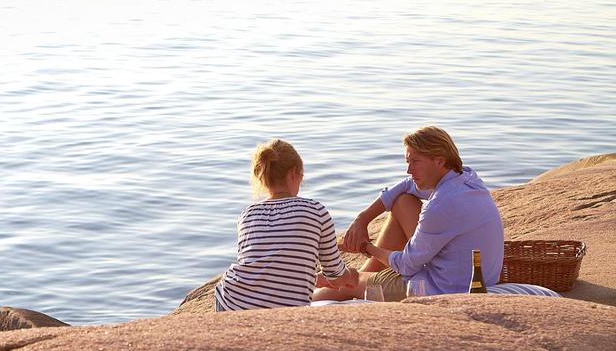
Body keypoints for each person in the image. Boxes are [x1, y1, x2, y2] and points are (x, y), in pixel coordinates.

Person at [312, 126, 504, 302]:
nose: (409, 169)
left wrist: (365, 247)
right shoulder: (468, 178)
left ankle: (304, 302)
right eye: (408, 161)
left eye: (415, 162)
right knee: (403, 200)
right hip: (463, 275)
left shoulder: (439, 206)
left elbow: (406, 265)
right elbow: (405, 185)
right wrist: (363, 219)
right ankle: (364, 275)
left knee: (348, 285)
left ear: (439, 160)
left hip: (443, 290)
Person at [215, 139, 358, 310]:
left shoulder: (247, 214)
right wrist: (349, 276)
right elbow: (336, 274)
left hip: (231, 303)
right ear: (294, 173)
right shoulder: (316, 211)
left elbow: (263, 269)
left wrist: (317, 279)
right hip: (279, 312)